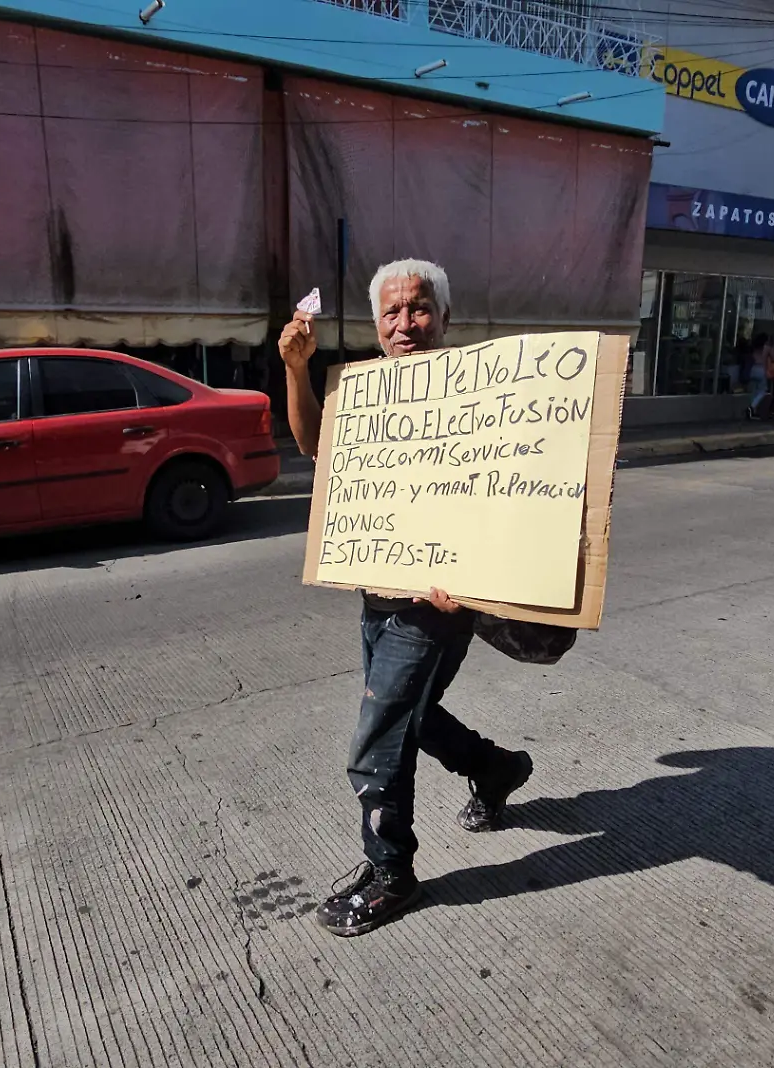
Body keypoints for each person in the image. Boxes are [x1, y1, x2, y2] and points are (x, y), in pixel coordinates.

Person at [277, 258, 534, 938]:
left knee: (376, 742)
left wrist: (476, 579)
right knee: (411, 717)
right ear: (376, 324)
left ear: (444, 317)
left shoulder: (482, 393)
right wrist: (296, 370)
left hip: (438, 606)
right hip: (379, 594)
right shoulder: (366, 394)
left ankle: (391, 871)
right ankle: (498, 768)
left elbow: (512, 492)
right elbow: (311, 445)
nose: (404, 323)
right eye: (391, 313)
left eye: (418, 309)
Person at [744, 332, 772, 420]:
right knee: (763, 391)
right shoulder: (767, 348)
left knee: (754, 391)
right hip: (761, 369)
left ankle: (752, 411)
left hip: (752, 369)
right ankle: (752, 407)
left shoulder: (753, 347)